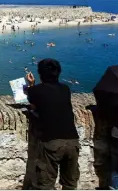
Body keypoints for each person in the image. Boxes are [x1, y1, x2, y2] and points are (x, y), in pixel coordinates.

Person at [25, 58, 80, 190]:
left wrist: (31, 84)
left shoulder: (35, 90)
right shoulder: (66, 89)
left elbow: (33, 102)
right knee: (70, 185)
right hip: (73, 141)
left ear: (40, 74)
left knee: (46, 184)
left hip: (51, 142)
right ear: (58, 72)